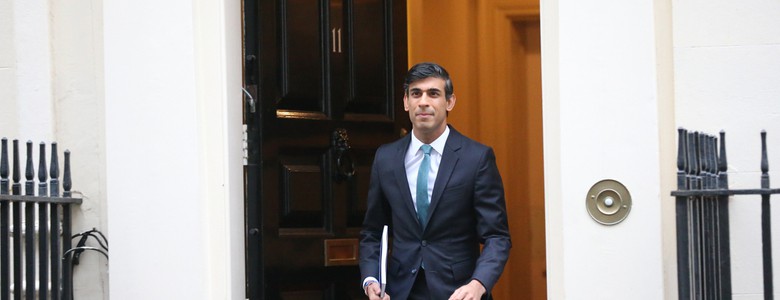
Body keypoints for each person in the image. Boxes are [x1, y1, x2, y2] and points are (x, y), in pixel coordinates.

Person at [359, 62, 511, 300]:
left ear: (449, 102)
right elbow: (372, 232)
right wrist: (370, 280)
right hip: (401, 291)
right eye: (416, 94)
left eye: (433, 93)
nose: (423, 102)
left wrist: (478, 284)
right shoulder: (386, 158)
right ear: (406, 102)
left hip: (458, 292)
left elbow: (497, 236)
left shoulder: (477, 158)